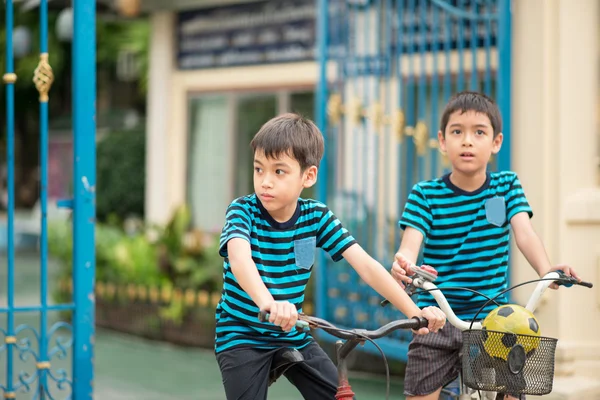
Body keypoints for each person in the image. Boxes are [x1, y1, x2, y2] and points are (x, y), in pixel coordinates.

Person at [215, 113, 446, 400]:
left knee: (339, 396)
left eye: (279, 172)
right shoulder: (242, 210)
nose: (265, 182)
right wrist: (269, 303)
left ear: (308, 176)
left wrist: (415, 312)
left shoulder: (316, 217)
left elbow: (366, 266)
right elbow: (240, 259)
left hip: (291, 333)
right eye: (258, 169)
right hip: (242, 336)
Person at [390, 91, 580, 400]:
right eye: (457, 132)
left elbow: (525, 233)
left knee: (511, 389)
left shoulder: (506, 186)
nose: (467, 141)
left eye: (479, 132)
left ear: (496, 142)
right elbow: (410, 244)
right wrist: (405, 263)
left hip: (494, 318)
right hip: (439, 316)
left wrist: (547, 270)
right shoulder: (425, 194)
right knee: (421, 391)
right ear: (441, 140)